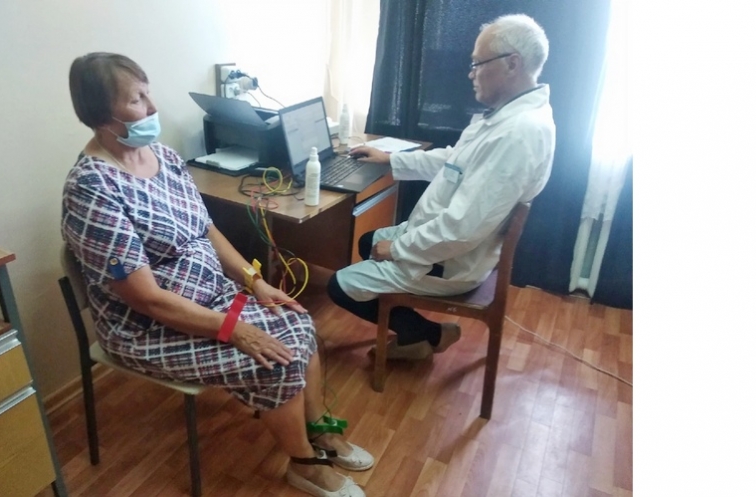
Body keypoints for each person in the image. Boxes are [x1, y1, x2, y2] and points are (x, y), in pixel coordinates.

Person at [61, 52, 372, 497]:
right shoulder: (92, 189)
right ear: (100, 116)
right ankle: (303, 464)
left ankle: (319, 429)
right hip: (147, 328)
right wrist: (235, 330)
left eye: (148, 93)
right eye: (136, 99)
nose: (152, 107)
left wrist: (256, 283)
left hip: (211, 297)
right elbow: (145, 299)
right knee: (276, 359)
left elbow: (206, 229)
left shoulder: (164, 157)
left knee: (297, 320)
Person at [330, 14, 556, 360]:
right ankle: (412, 334)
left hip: (451, 259)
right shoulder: (508, 118)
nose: (471, 73)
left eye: (478, 63)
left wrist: (399, 248)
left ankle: (431, 334)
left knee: (338, 286)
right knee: (367, 242)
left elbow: (463, 229)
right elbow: (454, 161)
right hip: (449, 243)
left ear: (513, 64)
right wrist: (390, 158)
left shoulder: (518, 134)